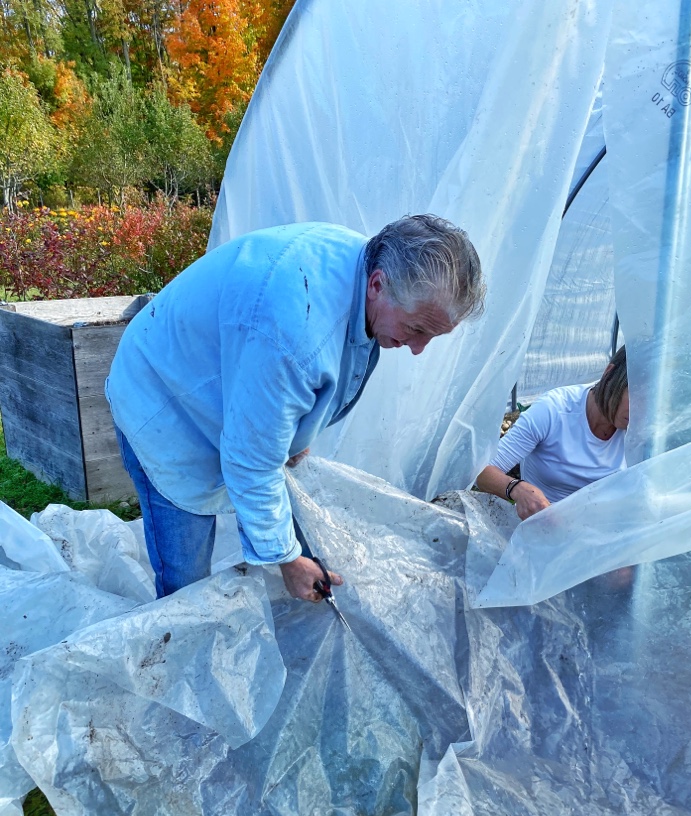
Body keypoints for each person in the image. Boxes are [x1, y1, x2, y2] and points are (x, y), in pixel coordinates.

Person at [107, 215, 484, 602]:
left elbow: (301, 386)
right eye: (418, 329)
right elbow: (250, 460)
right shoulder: (294, 333)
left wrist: (288, 436)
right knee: (186, 581)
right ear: (377, 285)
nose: (419, 348)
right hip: (162, 400)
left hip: (222, 373)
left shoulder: (368, 270)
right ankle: (176, 646)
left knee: (266, 491)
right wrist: (287, 559)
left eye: (432, 336)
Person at [475, 346, 628, 520]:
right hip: (545, 527)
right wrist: (518, 489)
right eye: (638, 394)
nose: (643, 409)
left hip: (602, 529)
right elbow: (482, 472)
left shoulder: (647, 428)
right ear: (609, 375)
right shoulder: (554, 411)